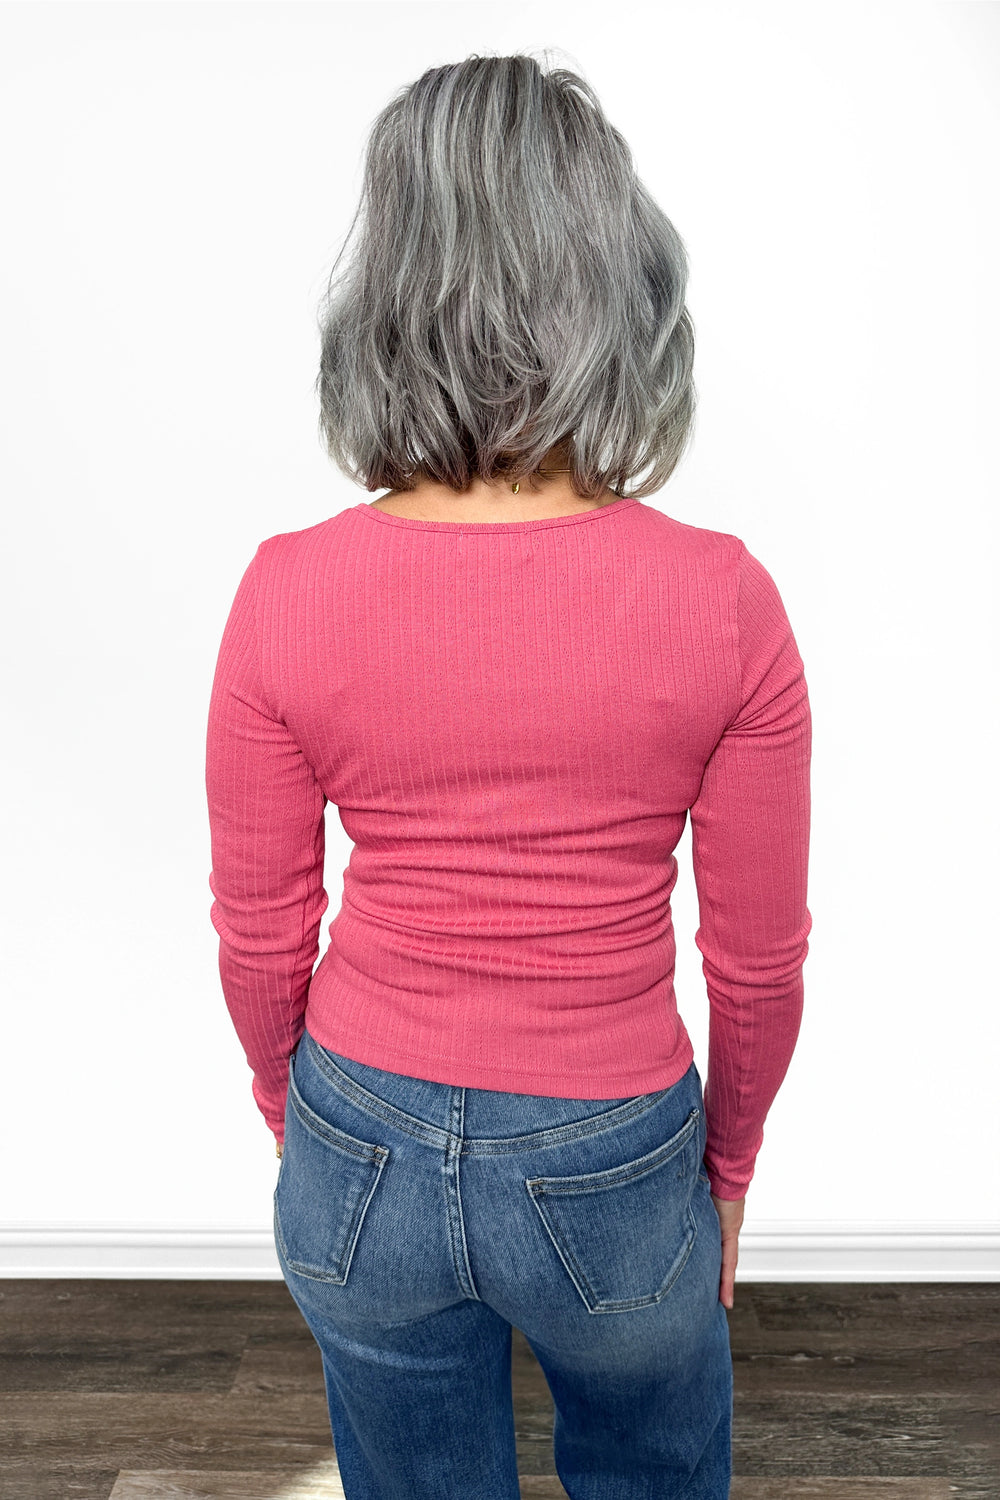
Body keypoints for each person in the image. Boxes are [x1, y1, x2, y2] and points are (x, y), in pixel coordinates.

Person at [205, 50, 812, 1500]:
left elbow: (261, 940)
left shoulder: (285, 590)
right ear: (618, 281)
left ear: (385, 293)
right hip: (614, 1154)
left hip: (358, 1128)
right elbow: (757, 967)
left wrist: (307, 1137)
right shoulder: (722, 601)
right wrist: (727, 1173)